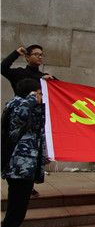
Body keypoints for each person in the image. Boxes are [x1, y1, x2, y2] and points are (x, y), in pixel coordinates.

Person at [1, 44, 55, 198]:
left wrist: (52, 81)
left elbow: (60, 90)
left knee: (32, 150)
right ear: (27, 56)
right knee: (17, 149)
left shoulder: (44, 77)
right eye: (36, 54)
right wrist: (15, 53)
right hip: (20, 119)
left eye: (41, 55)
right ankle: (17, 182)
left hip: (36, 121)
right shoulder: (19, 74)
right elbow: (2, 68)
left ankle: (28, 184)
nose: (40, 57)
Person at [1, 78, 48, 227]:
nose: (41, 97)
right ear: (31, 94)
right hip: (19, 168)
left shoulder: (27, 107)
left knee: (18, 209)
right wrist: (31, 99)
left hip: (24, 166)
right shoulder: (18, 107)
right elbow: (19, 119)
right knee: (16, 210)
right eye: (39, 93)